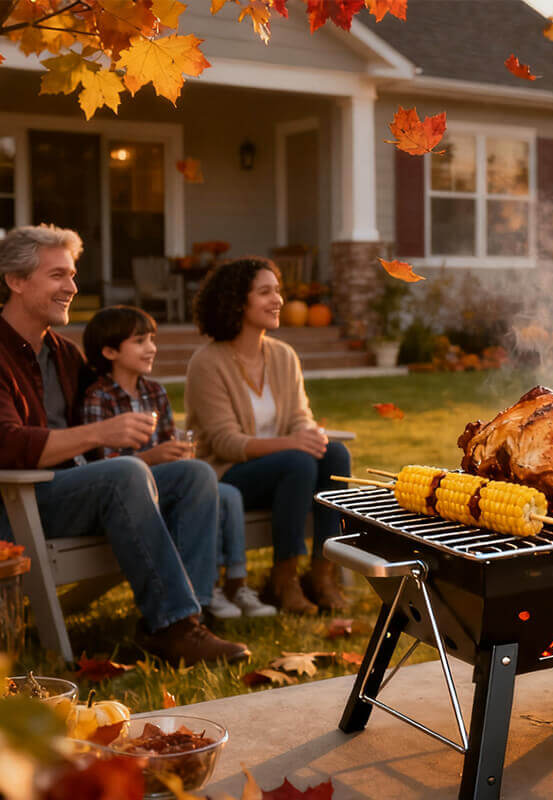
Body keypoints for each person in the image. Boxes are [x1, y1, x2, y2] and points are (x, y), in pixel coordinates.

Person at [0, 224, 249, 664]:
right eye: (58, 276)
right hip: (18, 505)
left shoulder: (65, 354)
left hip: (75, 491)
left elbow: (103, 437)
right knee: (125, 472)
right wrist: (103, 434)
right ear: (16, 281)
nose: (72, 288)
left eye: (73, 275)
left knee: (193, 474)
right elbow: (8, 444)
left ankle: (183, 624)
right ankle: (174, 624)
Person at [80, 306, 277, 620]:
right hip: (133, 492)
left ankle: (235, 583)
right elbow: (104, 463)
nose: (152, 348)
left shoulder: (154, 392)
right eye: (140, 341)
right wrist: (152, 457)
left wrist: (179, 454)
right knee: (209, 489)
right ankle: (203, 592)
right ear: (109, 351)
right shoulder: (98, 398)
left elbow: (170, 439)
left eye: (152, 340)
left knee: (228, 494)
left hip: (170, 479)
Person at [186, 257, 352, 615]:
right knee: (296, 461)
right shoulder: (207, 362)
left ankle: (323, 574)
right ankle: (284, 579)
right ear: (237, 302)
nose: (277, 300)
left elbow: (298, 417)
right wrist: (293, 444)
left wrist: (310, 435)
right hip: (227, 475)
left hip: (286, 472)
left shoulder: (283, 356)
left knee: (335, 455)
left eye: (278, 290)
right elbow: (224, 443)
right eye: (265, 292)